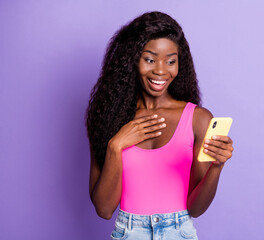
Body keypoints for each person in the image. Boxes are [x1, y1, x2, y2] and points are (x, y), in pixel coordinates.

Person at [85, 11, 234, 240]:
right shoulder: (108, 118)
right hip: (128, 233)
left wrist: (216, 167)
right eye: (150, 59)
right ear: (132, 60)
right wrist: (116, 145)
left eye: (171, 61)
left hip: (179, 232)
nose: (161, 70)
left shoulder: (198, 119)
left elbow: (195, 209)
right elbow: (104, 210)